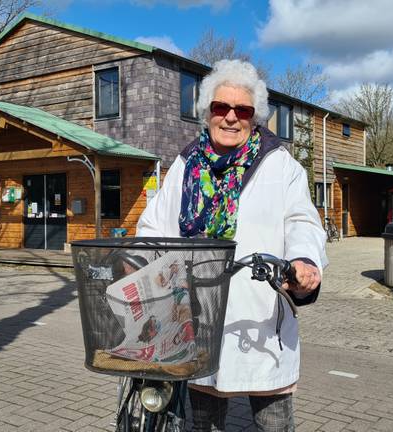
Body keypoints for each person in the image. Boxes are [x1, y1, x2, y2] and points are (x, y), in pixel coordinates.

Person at [136, 59, 327, 431]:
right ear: (207, 112)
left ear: (254, 117)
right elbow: (153, 224)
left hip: (258, 318)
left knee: (273, 420)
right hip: (194, 319)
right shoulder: (184, 164)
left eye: (242, 110)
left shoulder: (280, 165)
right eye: (221, 107)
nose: (230, 117)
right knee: (204, 420)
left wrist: (304, 262)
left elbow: (302, 221)